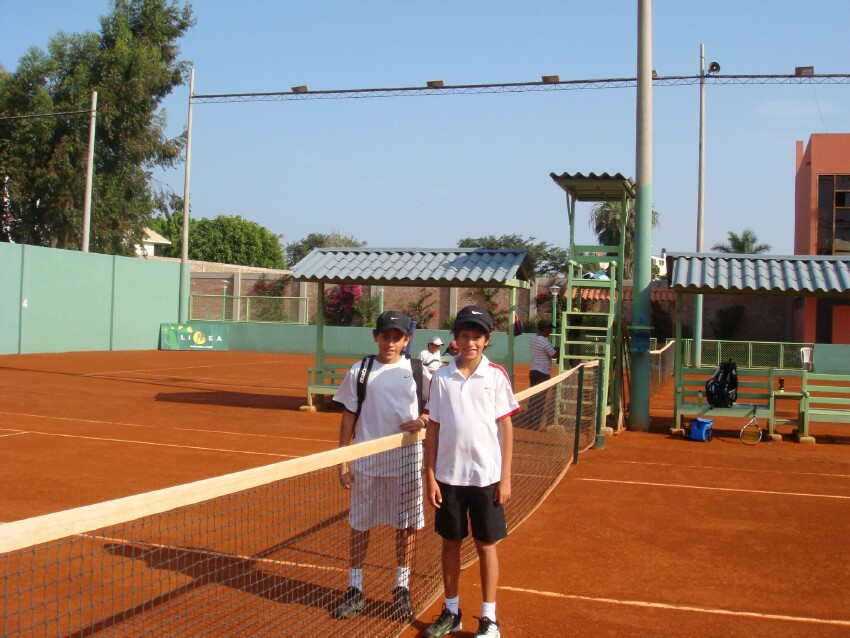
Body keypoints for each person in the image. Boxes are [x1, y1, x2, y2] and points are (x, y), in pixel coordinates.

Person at [423, 305, 519, 638]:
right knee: (450, 545)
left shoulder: (496, 376)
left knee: (485, 546)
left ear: (487, 340)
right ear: (456, 339)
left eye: (477, 336)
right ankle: (452, 611)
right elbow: (433, 428)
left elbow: (506, 428)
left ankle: (489, 618)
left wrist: (505, 478)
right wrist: (430, 475)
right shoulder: (441, 377)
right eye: (464, 335)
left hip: (486, 479)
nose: (470, 342)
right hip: (448, 479)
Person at [330, 310, 427, 622]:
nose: (390, 342)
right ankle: (355, 588)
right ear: (376, 337)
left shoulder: (417, 370)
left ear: (406, 340)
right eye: (385, 336)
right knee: (360, 524)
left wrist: (422, 420)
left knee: (406, 524)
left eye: (397, 337)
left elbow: (434, 409)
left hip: (406, 459)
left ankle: (401, 588)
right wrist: (342, 461)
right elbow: (349, 416)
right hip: (367, 460)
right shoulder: (360, 370)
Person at [528, 318, 557, 427]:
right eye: (549, 329)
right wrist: (559, 349)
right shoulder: (544, 341)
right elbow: (553, 354)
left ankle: (530, 421)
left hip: (534, 371)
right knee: (540, 399)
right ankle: (536, 423)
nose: (550, 331)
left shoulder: (533, 339)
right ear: (545, 329)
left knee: (533, 397)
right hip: (542, 373)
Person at [418, 335, 444, 401]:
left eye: (439, 346)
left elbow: (439, 364)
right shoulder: (423, 354)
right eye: (437, 346)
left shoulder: (438, 353)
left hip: (437, 379)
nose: (438, 347)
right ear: (430, 345)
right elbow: (417, 367)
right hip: (426, 382)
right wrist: (427, 372)